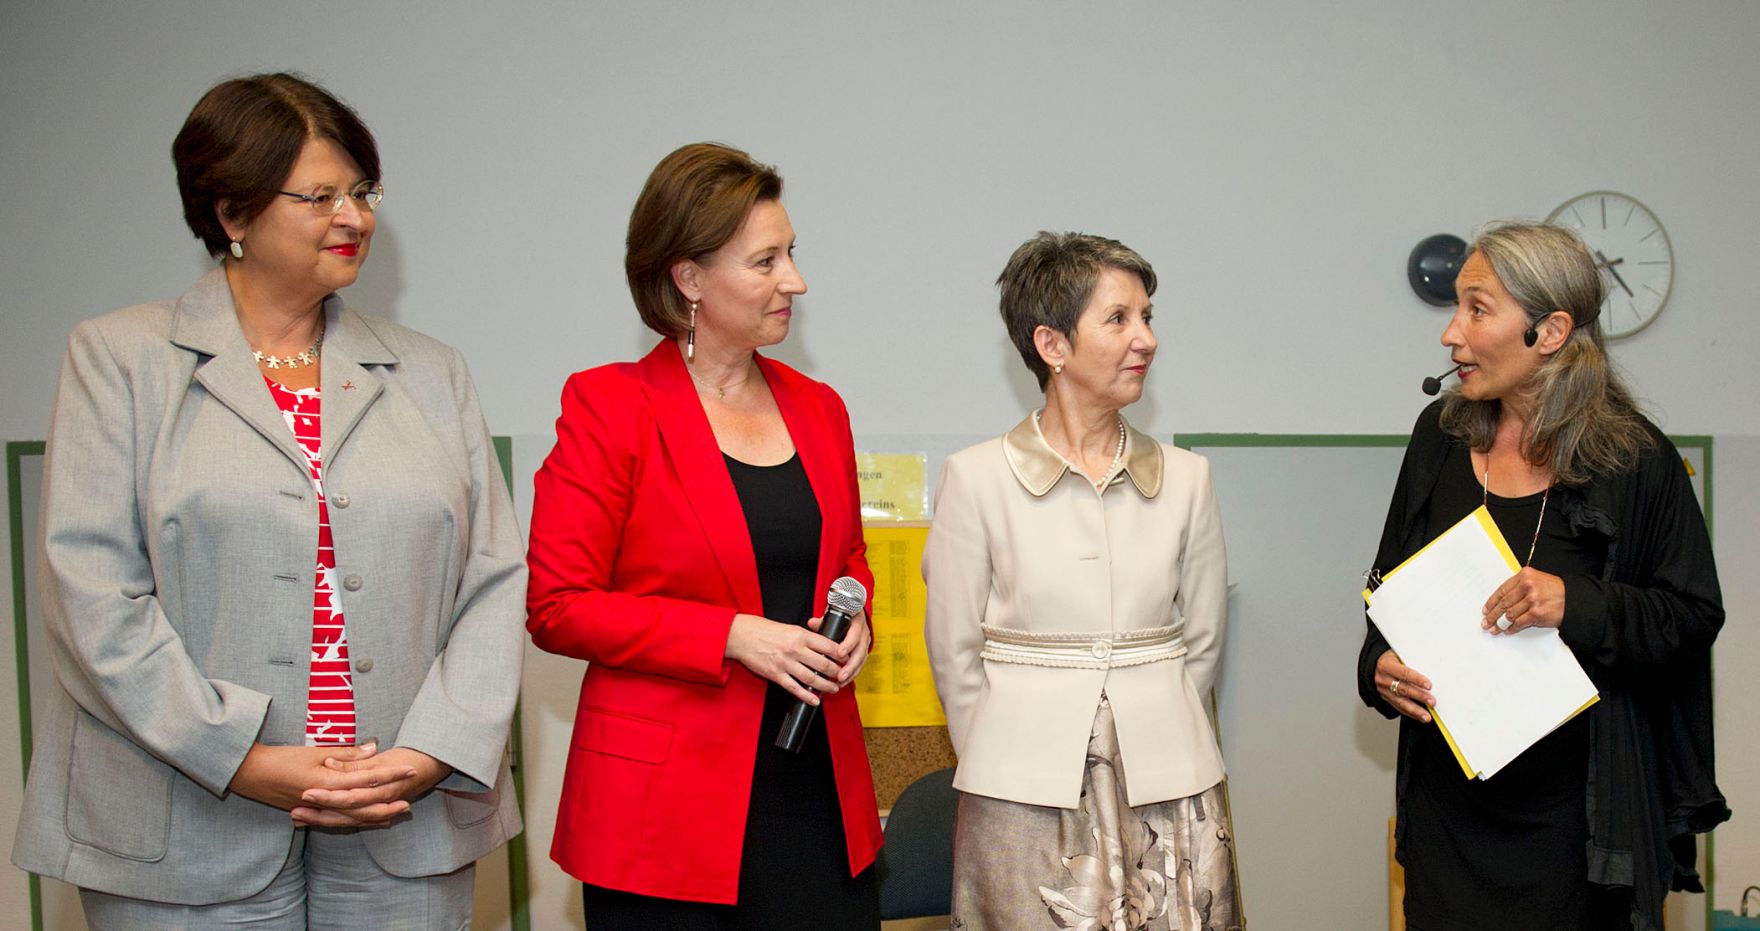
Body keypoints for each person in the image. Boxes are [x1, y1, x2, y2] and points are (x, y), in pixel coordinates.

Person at [9, 73, 527, 928]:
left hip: (403, 808)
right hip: (187, 816)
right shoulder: (120, 358)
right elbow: (92, 596)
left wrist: (434, 748)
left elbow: (493, 580)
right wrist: (241, 754)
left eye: (362, 191)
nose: (354, 216)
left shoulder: (433, 372)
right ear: (232, 214)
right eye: (319, 195)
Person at [525, 142, 882, 928]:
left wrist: (857, 619)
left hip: (816, 793)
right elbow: (558, 606)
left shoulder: (819, 408)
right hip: (664, 815)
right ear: (689, 278)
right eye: (766, 261)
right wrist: (730, 634)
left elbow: (844, 557)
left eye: (792, 253)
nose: (796, 279)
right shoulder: (608, 408)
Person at [1358, 221, 1728, 931]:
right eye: (1455, 307)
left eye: (1477, 307)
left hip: (1578, 831)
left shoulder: (1636, 458)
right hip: (1448, 818)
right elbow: (1385, 595)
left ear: (1550, 330)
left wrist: (1576, 601)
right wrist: (1379, 667)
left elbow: (1691, 615)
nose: (1450, 334)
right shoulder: (1437, 438)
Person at [923, 232, 1239, 930]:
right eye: (1119, 318)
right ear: (1052, 344)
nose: (1146, 338)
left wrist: (1162, 726)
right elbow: (954, 654)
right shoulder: (974, 479)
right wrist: (1008, 757)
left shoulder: (1189, 480)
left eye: (1148, 316)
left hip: (1171, 783)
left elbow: (1205, 644)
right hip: (1020, 791)